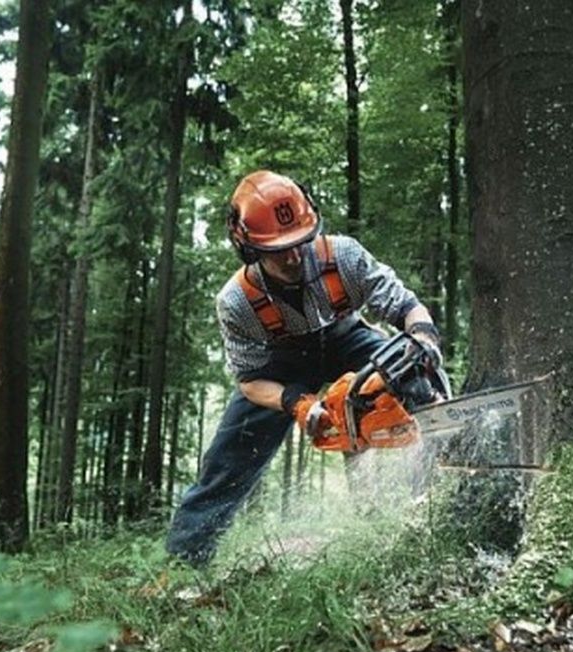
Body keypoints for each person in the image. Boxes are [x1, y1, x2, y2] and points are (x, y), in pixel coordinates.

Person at [166, 170, 441, 567]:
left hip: (348, 337)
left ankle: (427, 501)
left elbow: (404, 304)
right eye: (280, 250)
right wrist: (297, 403)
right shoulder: (237, 302)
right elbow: (250, 381)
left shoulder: (342, 256)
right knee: (230, 456)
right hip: (281, 366)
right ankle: (185, 560)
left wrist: (423, 337)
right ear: (249, 248)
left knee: (407, 371)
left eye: (300, 243)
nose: (294, 256)